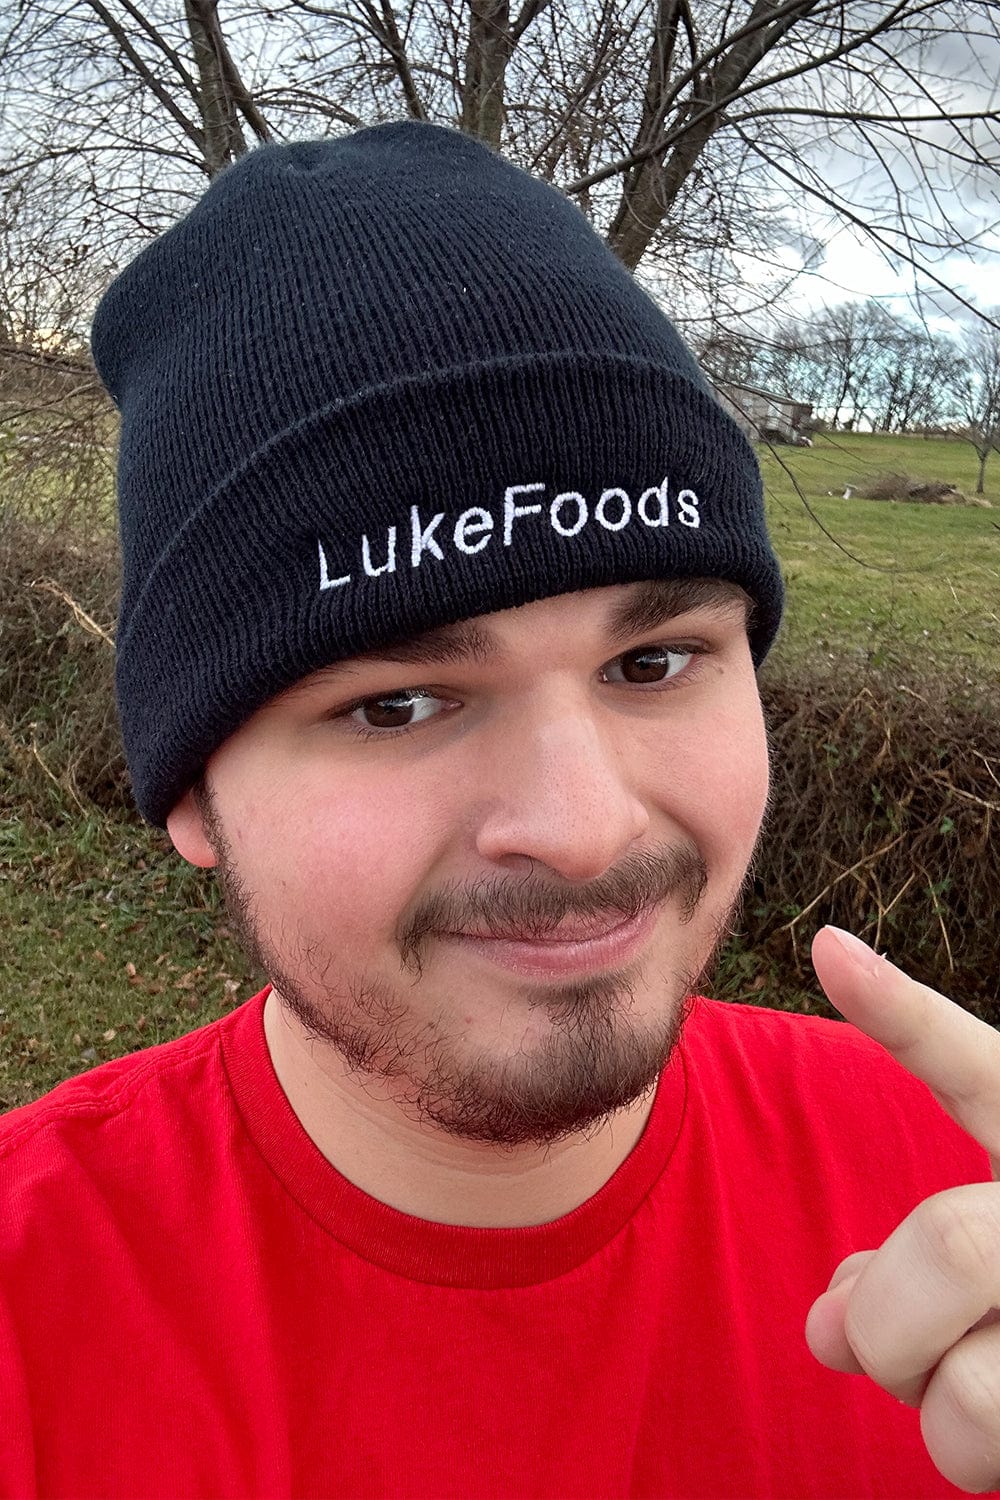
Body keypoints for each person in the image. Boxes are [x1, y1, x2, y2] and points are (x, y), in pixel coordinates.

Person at [1, 121, 998, 1500]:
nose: (584, 829)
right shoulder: (32, 1315)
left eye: (653, 663)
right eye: (399, 704)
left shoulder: (956, 1193)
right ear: (193, 792)